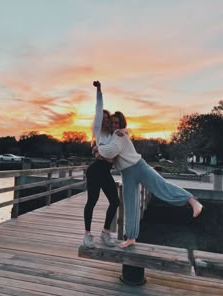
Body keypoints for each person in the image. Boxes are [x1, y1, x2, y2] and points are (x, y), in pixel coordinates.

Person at [94, 111, 203, 249]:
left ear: (121, 124)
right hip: (127, 173)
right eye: (113, 122)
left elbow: (110, 152)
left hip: (139, 167)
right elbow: (109, 156)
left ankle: (192, 201)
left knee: (161, 186)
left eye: (117, 122)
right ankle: (131, 237)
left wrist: (97, 148)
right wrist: (97, 150)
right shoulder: (112, 137)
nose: (114, 125)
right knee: (130, 205)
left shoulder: (119, 135)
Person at [83, 81, 120, 248]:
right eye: (103, 118)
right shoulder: (98, 132)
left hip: (105, 172)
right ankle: (87, 235)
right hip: (95, 171)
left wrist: (102, 154)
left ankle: (105, 233)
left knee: (115, 201)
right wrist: (99, 90)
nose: (105, 121)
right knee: (92, 201)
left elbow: (115, 154)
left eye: (107, 119)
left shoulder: (113, 136)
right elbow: (99, 108)